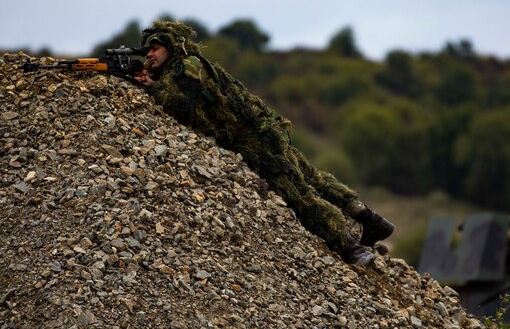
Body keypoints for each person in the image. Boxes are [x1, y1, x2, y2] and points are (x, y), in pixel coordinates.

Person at [134, 20, 394, 266]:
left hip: (254, 140)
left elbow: (185, 103)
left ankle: (351, 247)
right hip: (261, 130)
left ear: (172, 46)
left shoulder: (188, 65)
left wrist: (152, 89)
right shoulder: (181, 69)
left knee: (296, 193)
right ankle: (370, 220)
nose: (150, 55)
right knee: (310, 177)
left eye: (155, 48)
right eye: (148, 51)